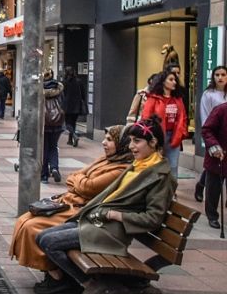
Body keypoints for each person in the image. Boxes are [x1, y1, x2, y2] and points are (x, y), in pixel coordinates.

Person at [35, 116, 177, 294]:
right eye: (131, 140)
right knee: (40, 237)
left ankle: (88, 283)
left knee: (49, 242)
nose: (131, 146)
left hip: (112, 232)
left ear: (154, 142)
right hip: (97, 221)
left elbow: (153, 218)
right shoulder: (137, 165)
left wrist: (116, 215)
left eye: (137, 141)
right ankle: (86, 282)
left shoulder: (161, 177)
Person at [10, 125, 133, 273]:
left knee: (33, 227)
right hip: (71, 202)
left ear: (122, 144)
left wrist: (79, 181)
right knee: (25, 219)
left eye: (109, 140)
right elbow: (73, 177)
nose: (103, 143)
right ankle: (51, 271)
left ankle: (56, 274)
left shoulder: (120, 169)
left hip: (82, 210)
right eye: (105, 139)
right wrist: (80, 181)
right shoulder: (106, 160)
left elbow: (89, 187)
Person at [141, 71, 188, 177]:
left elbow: (183, 117)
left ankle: (171, 192)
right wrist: (150, 136)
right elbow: (146, 118)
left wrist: (182, 132)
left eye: (175, 80)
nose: (174, 82)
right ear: (162, 82)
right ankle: (156, 191)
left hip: (174, 136)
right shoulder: (153, 98)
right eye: (171, 80)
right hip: (157, 136)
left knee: (173, 166)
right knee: (155, 165)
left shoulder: (178, 99)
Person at [195, 66, 227, 202]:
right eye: (217, 75)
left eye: (223, 75)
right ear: (213, 77)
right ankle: (201, 185)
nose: (220, 77)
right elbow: (205, 115)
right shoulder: (208, 94)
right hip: (213, 135)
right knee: (214, 166)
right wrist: (208, 139)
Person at [202, 102, 227, 229]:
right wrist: (214, 146)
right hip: (217, 157)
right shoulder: (221, 109)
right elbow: (207, 130)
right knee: (213, 189)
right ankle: (212, 216)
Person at [42, 69, 65, 184]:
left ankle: (44, 175)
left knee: (44, 148)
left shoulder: (38, 89)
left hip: (44, 122)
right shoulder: (59, 88)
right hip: (57, 122)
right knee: (53, 147)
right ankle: (54, 168)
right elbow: (63, 103)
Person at [61, 67, 87, 147]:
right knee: (73, 123)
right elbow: (83, 94)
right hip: (77, 106)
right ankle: (70, 140)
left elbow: (62, 95)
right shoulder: (79, 81)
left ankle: (74, 136)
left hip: (67, 106)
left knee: (67, 123)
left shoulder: (64, 82)